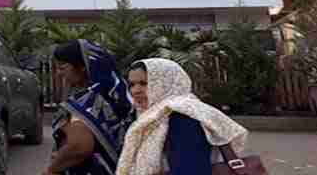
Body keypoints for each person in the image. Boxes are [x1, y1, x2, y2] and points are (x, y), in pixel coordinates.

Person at [117, 58, 248, 175]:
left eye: (144, 83)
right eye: (132, 85)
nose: (135, 90)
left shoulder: (182, 118)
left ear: (166, 83)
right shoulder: (151, 116)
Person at [45, 40, 133, 175]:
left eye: (63, 68)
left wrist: (52, 169)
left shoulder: (89, 101)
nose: (58, 73)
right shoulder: (117, 91)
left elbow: (79, 147)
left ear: (83, 67)